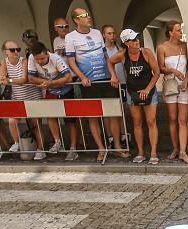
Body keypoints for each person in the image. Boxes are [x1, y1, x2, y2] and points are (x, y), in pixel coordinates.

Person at [64, 7, 124, 161]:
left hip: (105, 79)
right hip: (89, 83)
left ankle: (117, 147)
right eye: (84, 15)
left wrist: (113, 75)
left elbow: (106, 57)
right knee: (93, 117)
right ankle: (101, 149)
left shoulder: (97, 32)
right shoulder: (70, 37)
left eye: (88, 14)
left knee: (113, 114)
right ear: (76, 20)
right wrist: (82, 77)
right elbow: (71, 61)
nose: (88, 17)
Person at [109, 29, 160, 165]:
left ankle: (153, 152)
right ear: (126, 43)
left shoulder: (146, 53)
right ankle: (140, 152)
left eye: (137, 38)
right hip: (132, 92)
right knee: (137, 122)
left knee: (151, 121)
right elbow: (110, 62)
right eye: (133, 40)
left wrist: (148, 89)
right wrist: (113, 75)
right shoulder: (122, 55)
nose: (137, 42)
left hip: (148, 90)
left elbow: (157, 72)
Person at [27, 41, 79, 160]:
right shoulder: (31, 58)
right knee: (50, 116)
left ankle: (73, 148)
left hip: (66, 89)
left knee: (70, 120)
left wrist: (51, 83)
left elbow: (68, 77)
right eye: (37, 59)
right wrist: (44, 83)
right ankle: (57, 142)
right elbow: (30, 78)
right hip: (50, 90)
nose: (39, 62)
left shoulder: (56, 58)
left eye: (42, 58)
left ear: (47, 53)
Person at [0, 40, 47, 160]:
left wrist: (9, 80)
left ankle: (41, 149)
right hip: (18, 98)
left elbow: (23, 79)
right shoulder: (4, 62)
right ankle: (16, 143)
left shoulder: (24, 61)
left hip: (32, 96)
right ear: (5, 52)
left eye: (18, 49)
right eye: (12, 50)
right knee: (12, 121)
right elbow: (1, 76)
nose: (16, 52)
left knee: (35, 124)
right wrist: (2, 78)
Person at [157, 20, 188, 164]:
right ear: (170, 33)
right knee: (172, 118)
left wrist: (186, 81)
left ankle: (183, 151)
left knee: (183, 119)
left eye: (180, 30)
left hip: (184, 86)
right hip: (171, 85)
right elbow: (160, 68)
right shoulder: (162, 47)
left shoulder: (185, 47)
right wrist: (173, 70)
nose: (180, 32)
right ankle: (175, 148)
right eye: (178, 30)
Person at [102, 24, 127, 153]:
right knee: (109, 113)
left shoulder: (120, 48)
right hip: (109, 82)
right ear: (104, 35)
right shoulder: (103, 50)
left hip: (121, 82)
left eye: (113, 33)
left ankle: (123, 136)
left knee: (121, 111)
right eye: (109, 33)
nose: (112, 36)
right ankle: (110, 137)